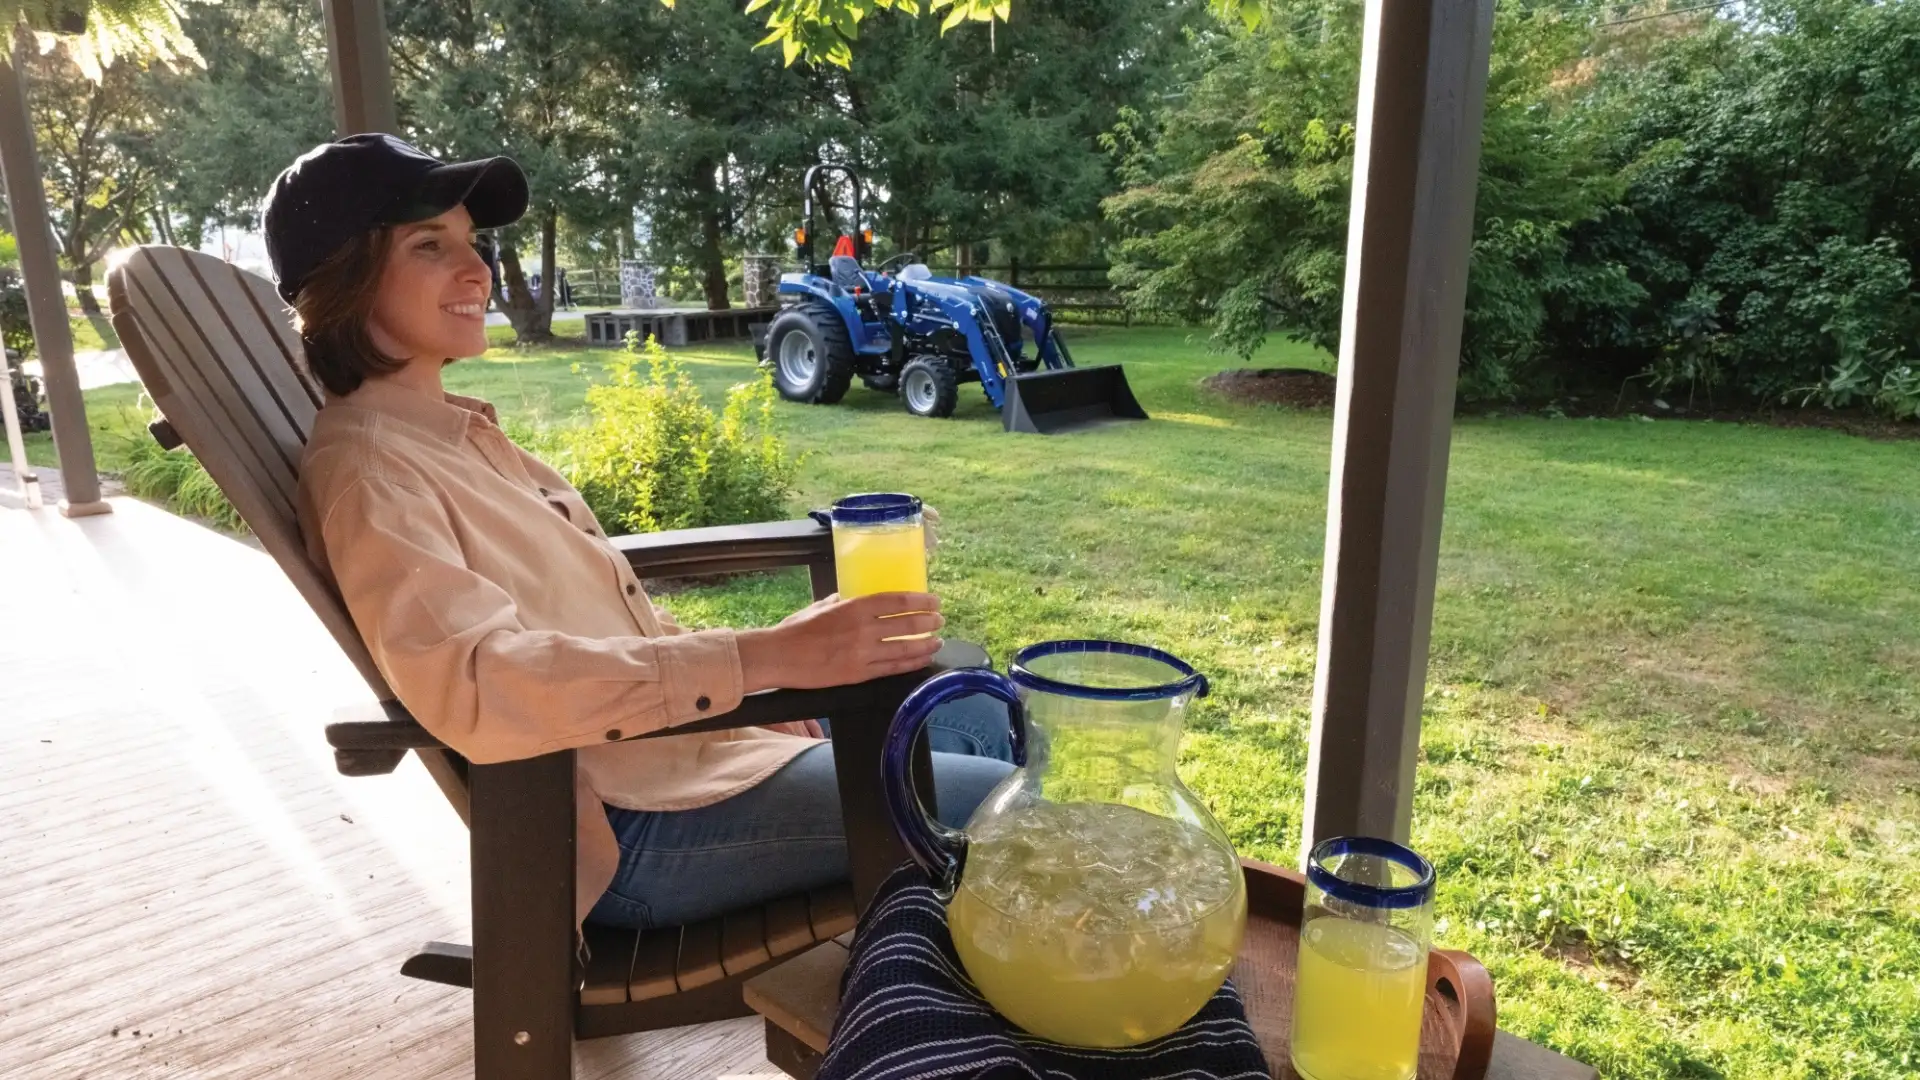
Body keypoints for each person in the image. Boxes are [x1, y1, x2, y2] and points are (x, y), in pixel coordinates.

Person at [263, 135, 1014, 931]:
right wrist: (763, 660)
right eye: (429, 246)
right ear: (343, 278)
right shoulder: (375, 475)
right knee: (1001, 809)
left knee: (977, 708)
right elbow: (482, 679)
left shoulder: (458, 440)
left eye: (473, 243)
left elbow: (596, 615)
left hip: (688, 745)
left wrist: (751, 684)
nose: (478, 270)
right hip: (633, 823)